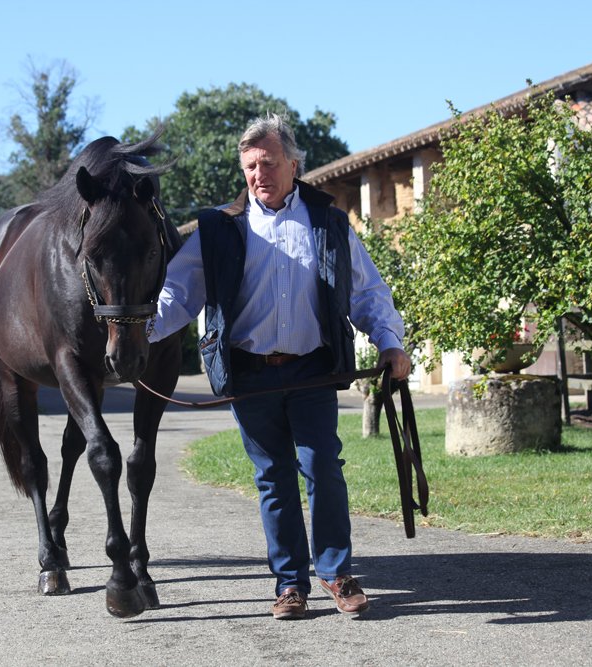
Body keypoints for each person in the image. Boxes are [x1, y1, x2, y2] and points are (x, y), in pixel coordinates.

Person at [148, 113, 410, 620]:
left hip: (312, 369)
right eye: (249, 166)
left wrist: (390, 344)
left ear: (293, 164)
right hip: (250, 374)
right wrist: (140, 334)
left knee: (322, 469)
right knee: (273, 478)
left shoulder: (327, 223)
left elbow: (368, 292)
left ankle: (335, 572)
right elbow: (178, 292)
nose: (257, 174)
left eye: (267, 163)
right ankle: (290, 584)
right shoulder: (219, 229)